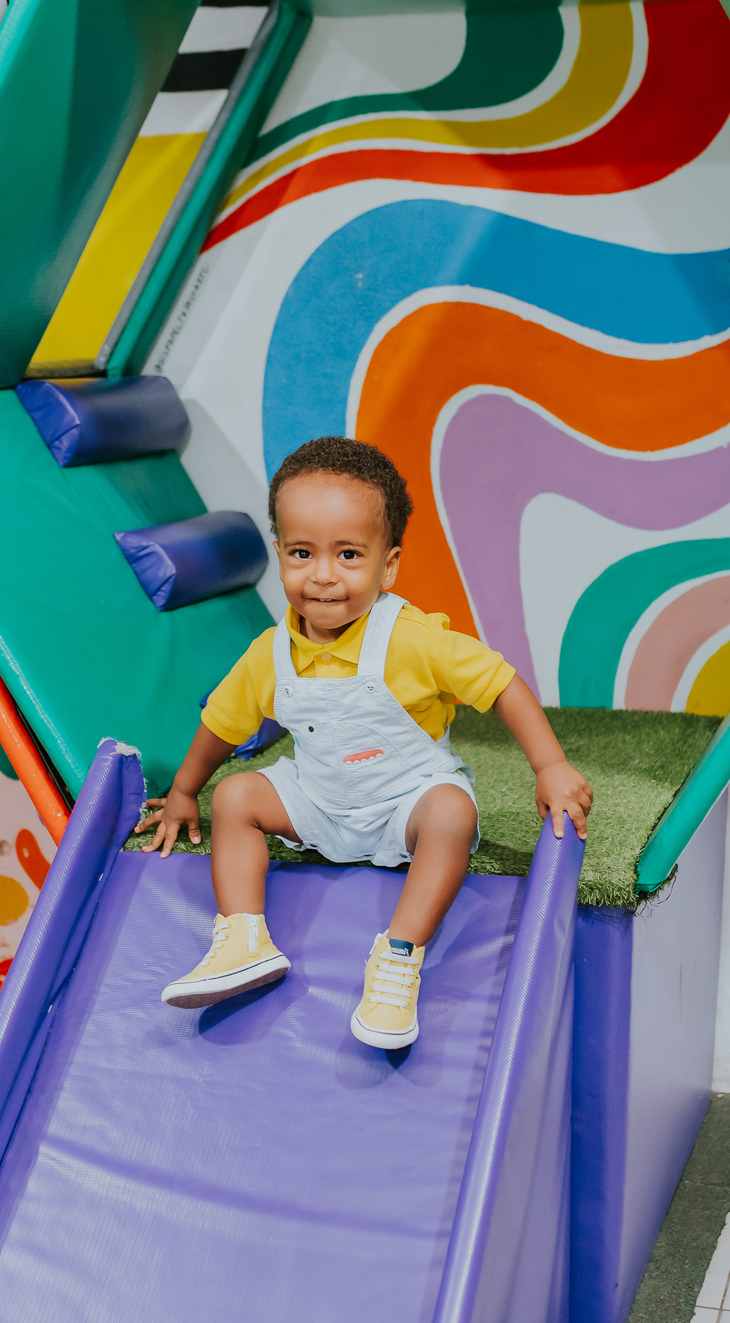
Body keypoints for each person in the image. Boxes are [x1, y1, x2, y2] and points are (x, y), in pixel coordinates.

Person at [138, 436, 592, 1050]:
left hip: (403, 803)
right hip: (319, 803)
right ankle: (244, 938)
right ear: (279, 555)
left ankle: (398, 957)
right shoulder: (269, 655)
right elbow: (223, 723)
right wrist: (185, 791)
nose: (323, 576)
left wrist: (551, 765)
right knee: (237, 796)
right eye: (302, 553)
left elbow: (501, 684)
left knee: (452, 813)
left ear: (389, 564)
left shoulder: (413, 639)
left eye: (349, 554)